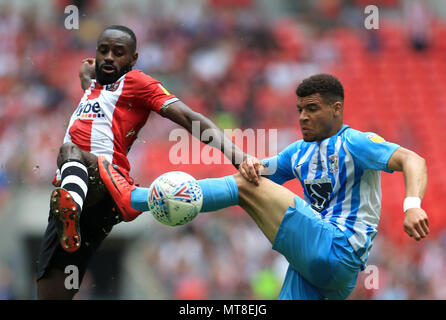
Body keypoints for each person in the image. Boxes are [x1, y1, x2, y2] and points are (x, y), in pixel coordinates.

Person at [116, 73, 429, 299]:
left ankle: (132, 197)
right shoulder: (298, 152)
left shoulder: (356, 142)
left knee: (243, 187)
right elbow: (259, 172)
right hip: (324, 272)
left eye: (313, 109)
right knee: (249, 180)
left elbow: (413, 159)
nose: (303, 117)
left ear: (336, 109)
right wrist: (251, 162)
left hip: (337, 246)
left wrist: (412, 205)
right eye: (300, 110)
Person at [36, 25, 246, 299]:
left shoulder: (138, 83)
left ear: (133, 59)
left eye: (119, 53)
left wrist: (238, 157)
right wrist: (85, 75)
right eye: (104, 51)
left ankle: (72, 207)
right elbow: (93, 84)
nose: (110, 57)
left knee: (69, 151)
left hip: (105, 182)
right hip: (76, 191)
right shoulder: (94, 87)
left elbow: (189, 117)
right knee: (50, 292)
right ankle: (72, 215)